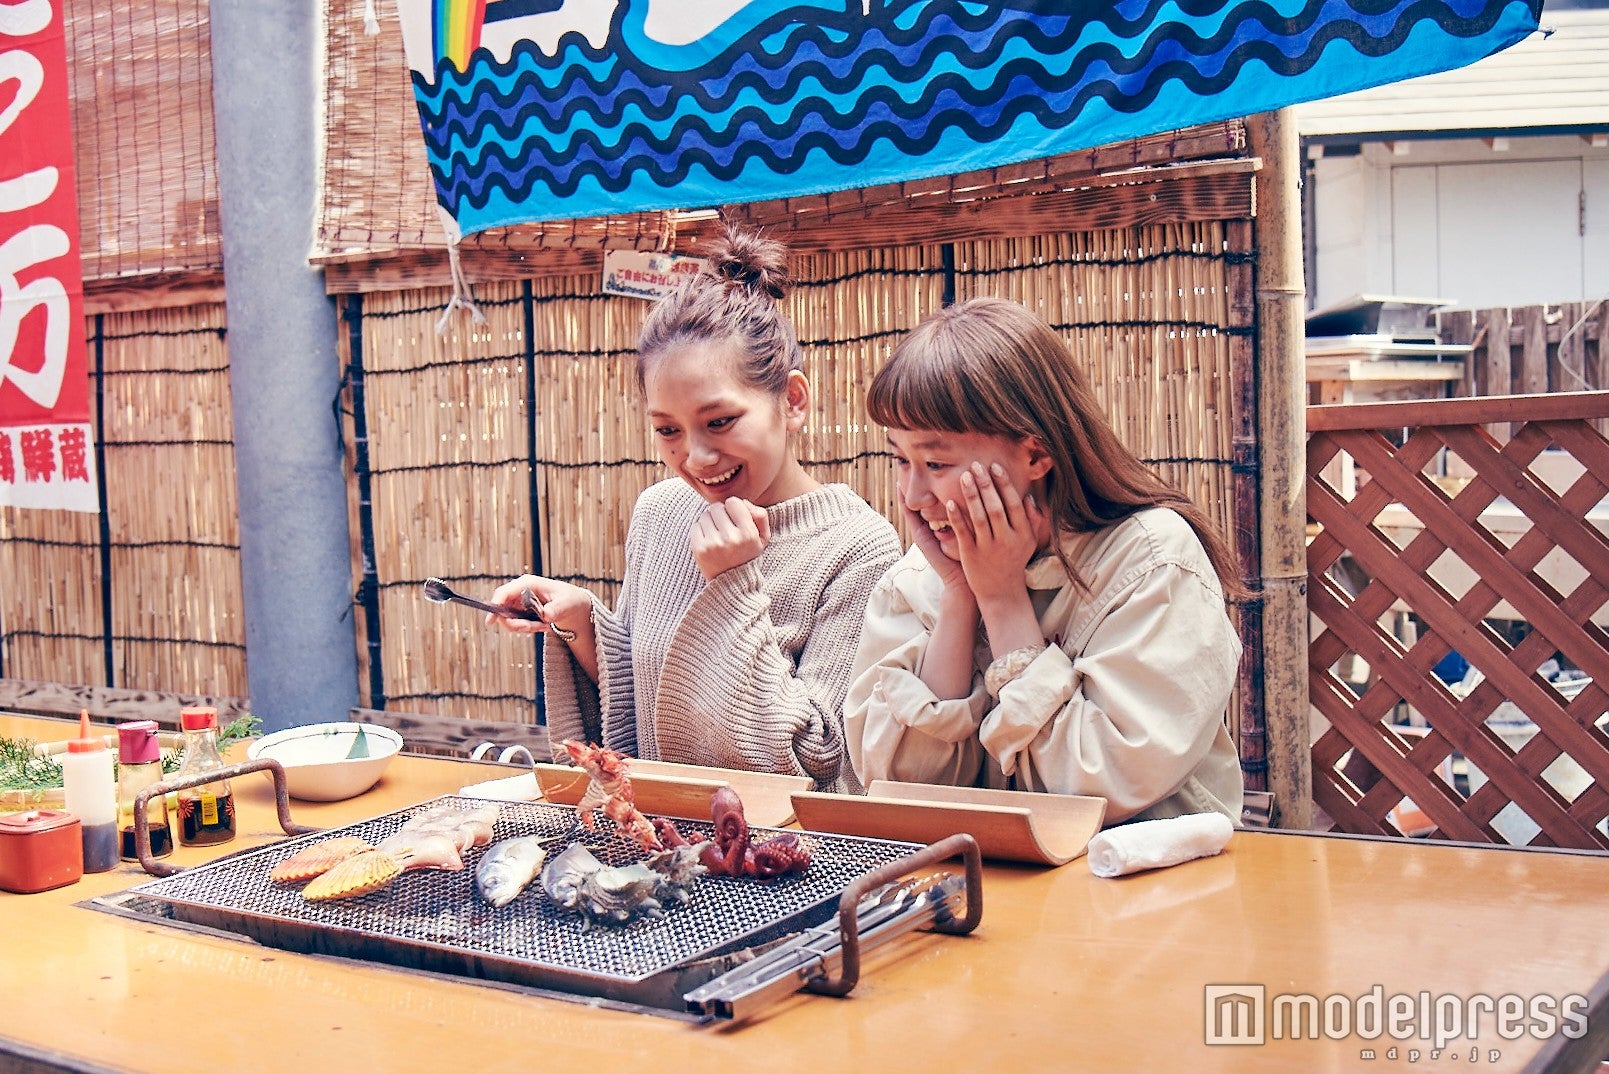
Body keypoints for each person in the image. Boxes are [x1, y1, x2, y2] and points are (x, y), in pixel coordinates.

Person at [490, 227, 901, 792]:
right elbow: (640, 709)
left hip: (779, 864)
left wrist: (733, 583)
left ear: (794, 401)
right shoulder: (661, 513)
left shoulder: (859, 547)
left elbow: (820, 760)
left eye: (720, 422)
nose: (697, 456)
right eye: (668, 430)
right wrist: (580, 621)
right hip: (660, 850)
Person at [844, 297, 1246, 823]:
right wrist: (961, 596)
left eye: (936, 462)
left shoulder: (1152, 562)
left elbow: (1094, 789)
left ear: (1035, 455)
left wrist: (1004, 599)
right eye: (901, 459)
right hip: (984, 888)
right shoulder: (917, 580)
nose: (913, 494)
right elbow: (903, 791)